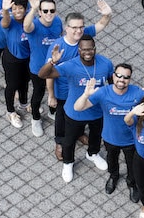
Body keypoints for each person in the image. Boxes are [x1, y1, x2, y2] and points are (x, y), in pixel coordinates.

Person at [38, 2, 113, 162]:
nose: (79, 30)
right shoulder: (58, 46)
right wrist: (51, 95)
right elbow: (49, 74)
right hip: (64, 91)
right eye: (74, 28)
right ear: (67, 28)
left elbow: (101, 24)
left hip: (84, 89)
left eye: (81, 27)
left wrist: (107, 14)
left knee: (82, 117)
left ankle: (79, 135)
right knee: (62, 118)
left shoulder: (84, 37)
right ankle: (60, 142)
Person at [75, 67, 144, 202]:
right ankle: (114, 176)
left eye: (126, 77)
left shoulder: (137, 93)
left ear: (129, 79)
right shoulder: (103, 92)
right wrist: (85, 95)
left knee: (132, 165)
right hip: (110, 138)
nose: (122, 80)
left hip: (132, 139)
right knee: (111, 160)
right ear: (113, 76)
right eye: (119, 76)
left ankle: (131, 183)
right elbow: (77, 108)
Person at [43, 35, 112, 183]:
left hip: (97, 111)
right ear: (79, 50)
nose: (87, 52)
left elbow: (112, 85)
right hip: (75, 112)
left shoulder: (105, 63)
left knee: (96, 136)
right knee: (69, 141)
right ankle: (68, 162)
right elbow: (43, 74)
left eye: (90, 49)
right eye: (84, 49)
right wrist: (53, 61)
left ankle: (92, 154)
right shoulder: (70, 65)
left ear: (95, 49)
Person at [23, 0, 63, 137]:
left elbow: (61, 37)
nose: (49, 14)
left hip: (55, 66)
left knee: (55, 91)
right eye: (45, 11)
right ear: (39, 12)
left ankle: (52, 112)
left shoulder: (57, 22)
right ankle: (35, 119)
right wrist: (33, 9)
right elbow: (26, 26)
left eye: (52, 11)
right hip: (38, 68)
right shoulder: (34, 25)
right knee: (38, 94)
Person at [0, 0, 34, 128]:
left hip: (27, 59)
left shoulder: (30, 21)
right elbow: (5, 22)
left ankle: (24, 103)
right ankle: (10, 111)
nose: (17, 11)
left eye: (20, 8)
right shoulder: (10, 21)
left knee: (25, 82)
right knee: (12, 86)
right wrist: (5, 10)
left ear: (26, 9)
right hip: (12, 60)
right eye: (14, 8)